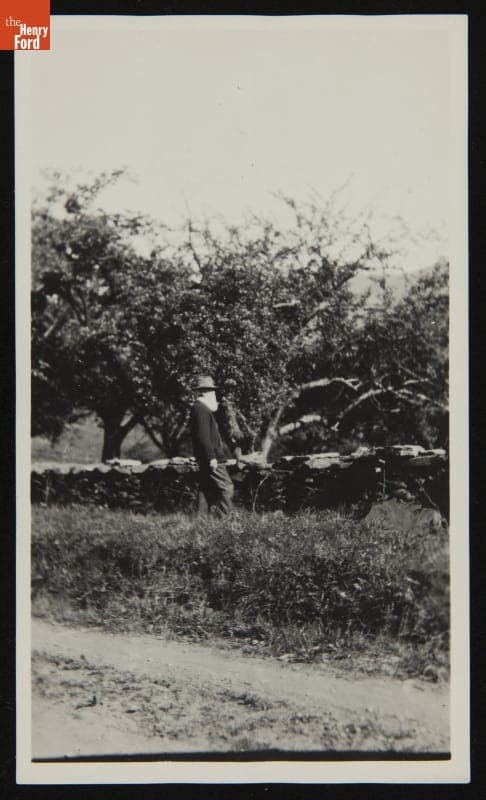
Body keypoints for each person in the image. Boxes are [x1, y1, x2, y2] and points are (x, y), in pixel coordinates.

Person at [189, 375, 234, 516]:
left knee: (205, 490)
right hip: (212, 457)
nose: (215, 395)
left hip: (207, 457)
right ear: (206, 393)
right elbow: (203, 436)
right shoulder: (201, 409)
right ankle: (225, 520)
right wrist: (211, 457)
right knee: (226, 487)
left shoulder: (200, 409)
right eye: (212, 392)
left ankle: (200, 521)